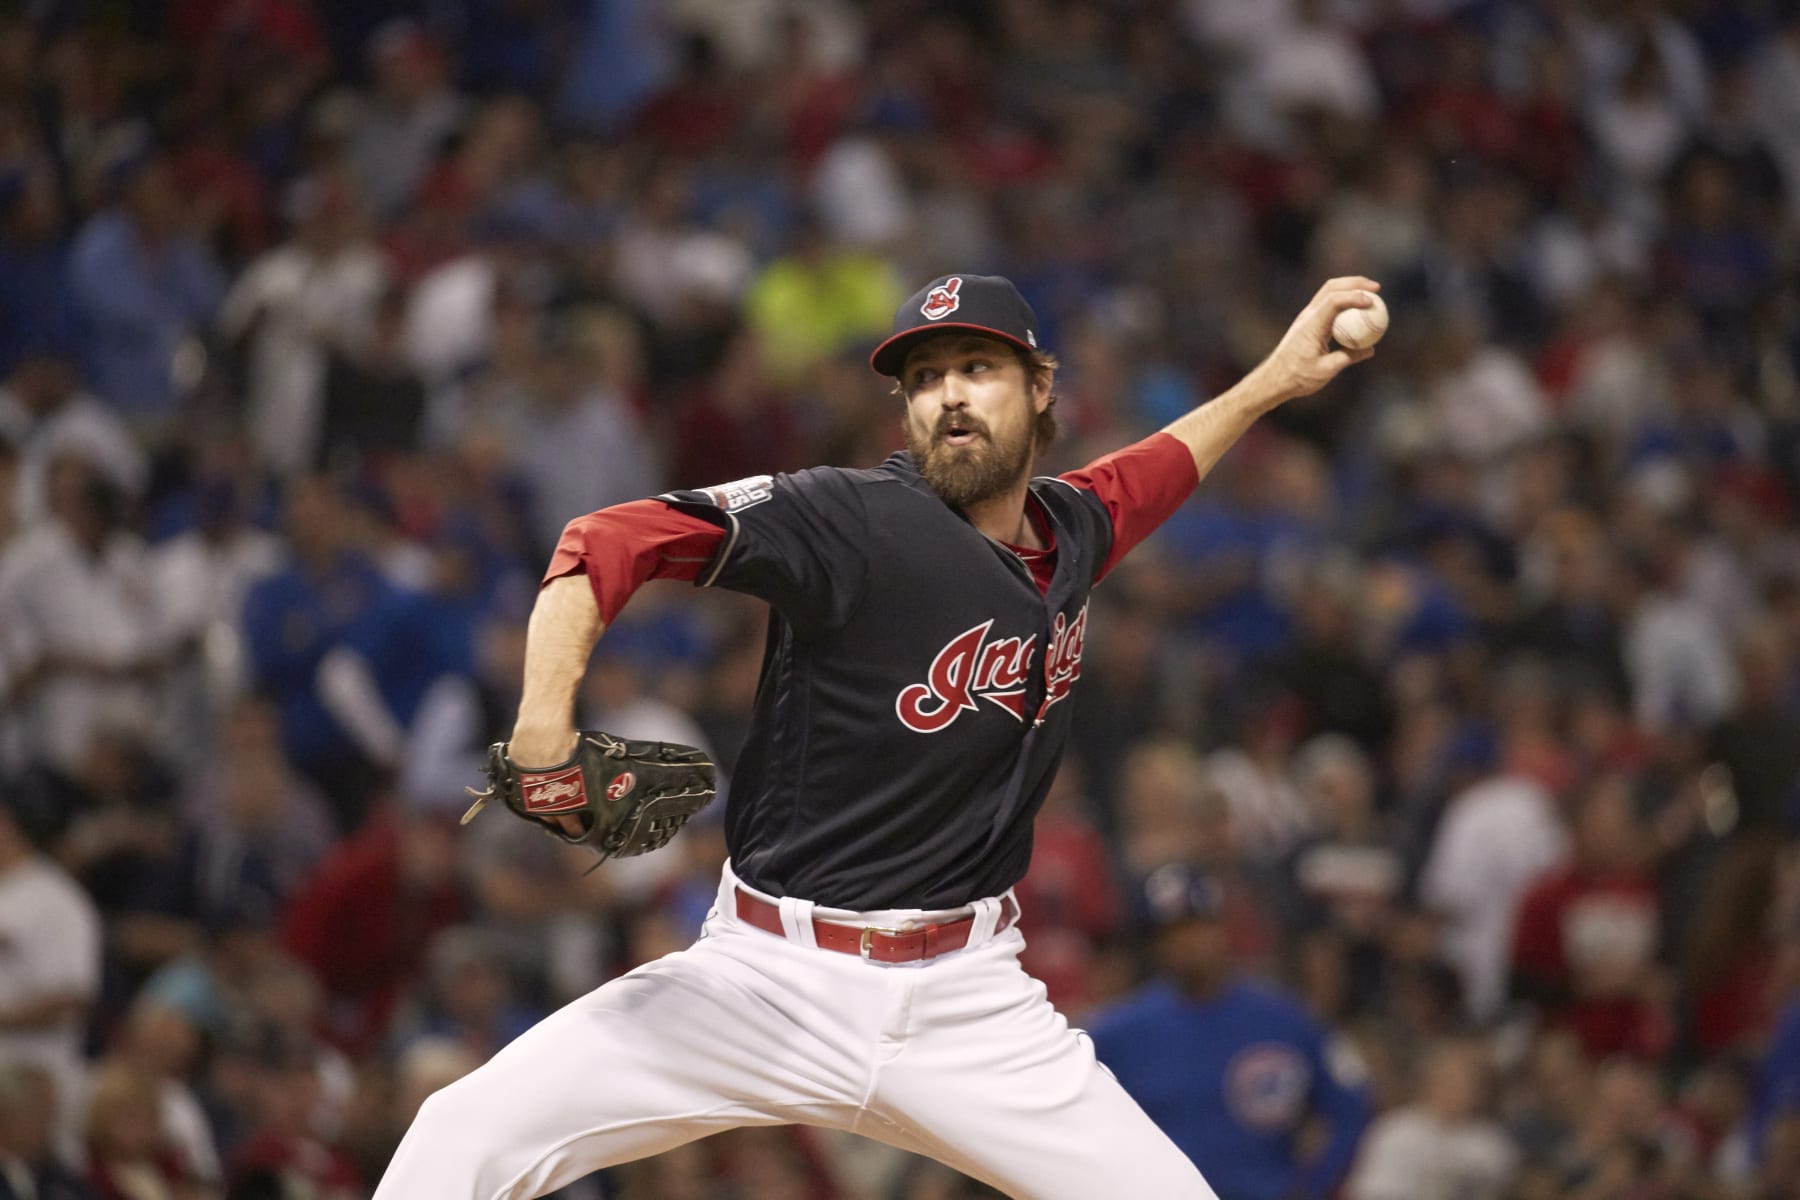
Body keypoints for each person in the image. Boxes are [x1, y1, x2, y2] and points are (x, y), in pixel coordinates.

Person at [375, 272, 1382, 1198]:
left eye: (978, 368)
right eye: (924, 376)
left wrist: (1275, 381)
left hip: (969, 1002)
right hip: (763, 981)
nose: (948, 394)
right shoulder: (848, 519)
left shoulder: (1071, 528)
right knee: (459, 1136)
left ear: (1040, 390)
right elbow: (603, 543)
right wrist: (544, 731)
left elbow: (1154, 470)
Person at [1087, 863, 1372, 1199]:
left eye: (1196, 927)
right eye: (1171, 933)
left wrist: (1310, 1187)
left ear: (1221, 928)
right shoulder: (1116, 1034)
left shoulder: (1285, 1020)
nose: (1187, 943)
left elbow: (1351, 1108)